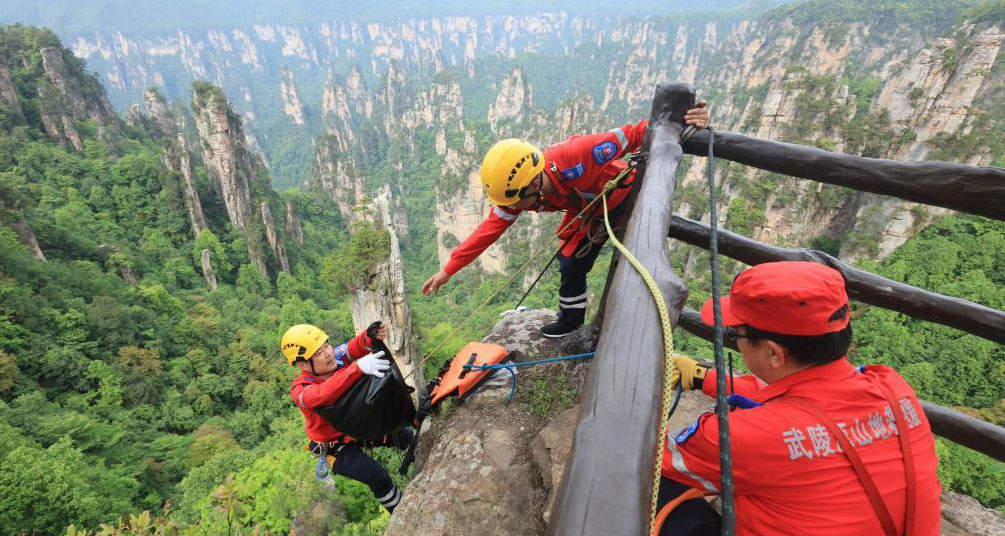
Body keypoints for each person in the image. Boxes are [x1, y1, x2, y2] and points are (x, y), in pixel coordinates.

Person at [659, 261, 941, 535]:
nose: (734, 339)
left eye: (735, 333)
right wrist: (703, 377)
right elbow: (815, 399)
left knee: (659, 487)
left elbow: (651, 456)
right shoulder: (894, 389)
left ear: (774, 354)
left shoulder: (741, 436)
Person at [421, 103, 710, 337]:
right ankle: (571, 321)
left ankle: (634, 333)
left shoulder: (579, 154)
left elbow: (636, 133)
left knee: (636, 269)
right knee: (571, 263)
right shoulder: (522, 194)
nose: (512, 210)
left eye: (515, 203)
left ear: (532, 185)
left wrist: (683, 121)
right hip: (588, 213)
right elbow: (488, 230)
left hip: (627, 201)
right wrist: (449, 270)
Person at [283, 322, 413, 514]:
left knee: (404, 436)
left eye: (326, 345)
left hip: (356, 427)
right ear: (302, 364)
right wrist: (357, 368)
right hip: (336, 447)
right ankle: (403, 513)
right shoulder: (301, 390)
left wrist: (371, 336)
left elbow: (354, 347)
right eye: (318, 353)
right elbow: (321, 394)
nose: (328, 353)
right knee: (376, 476)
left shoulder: (334, 357)